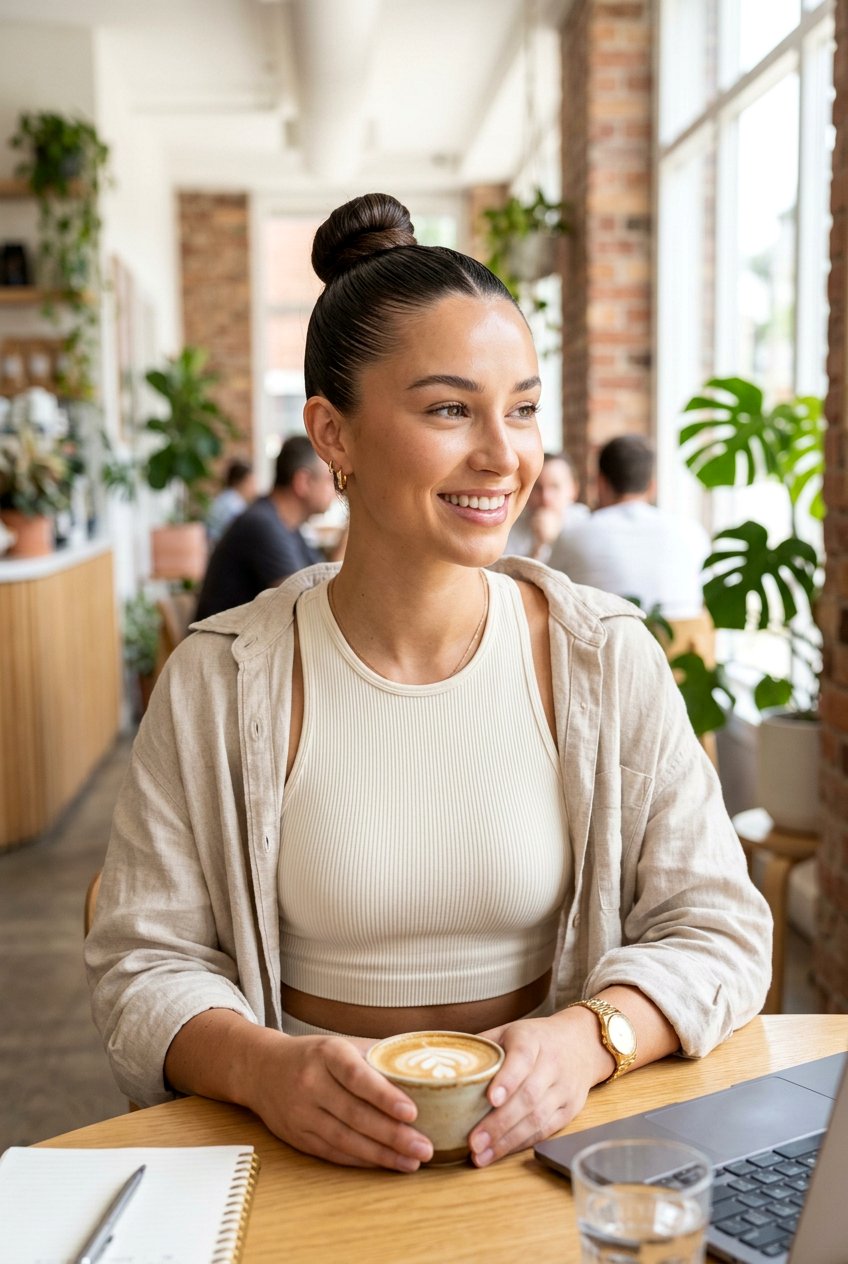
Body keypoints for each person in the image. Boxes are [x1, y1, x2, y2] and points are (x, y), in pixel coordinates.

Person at [86, 193, 770, 1176]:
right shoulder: (219, 680)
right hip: (302, 1164)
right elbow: (139, 962)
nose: (504, 455)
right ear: (333, 434)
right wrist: (265, 1068)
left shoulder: (603, 658)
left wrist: (589, 1036)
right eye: (450, 409)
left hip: (544, 1162)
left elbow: (719, 924)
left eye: (522, 408)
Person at [548, 434, 711, 619]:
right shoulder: (692, 532)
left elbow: (548, 594)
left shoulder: (575, 534)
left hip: (609, 646)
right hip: (684, 645)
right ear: (651, 487)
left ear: (600, 484)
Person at [195, 435, 334, 619]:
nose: (338, 488)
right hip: (223, 647)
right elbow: (308, 609)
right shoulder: (262, 526)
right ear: (303, 482)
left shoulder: (285, 525)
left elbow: (324, 579)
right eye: (330, 479)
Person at [505, 450, 588, 561]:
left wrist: (555, 541)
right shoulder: (510, 527)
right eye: (538, 487)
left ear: (573, 490)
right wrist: (539, 546)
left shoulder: (585, 525)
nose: (545, 497)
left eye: (555, 487)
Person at [206, 458, 256, 545]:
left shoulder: (225, 498)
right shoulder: (233, 504)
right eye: (250, 482)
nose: (254, 487)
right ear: (239, 482)